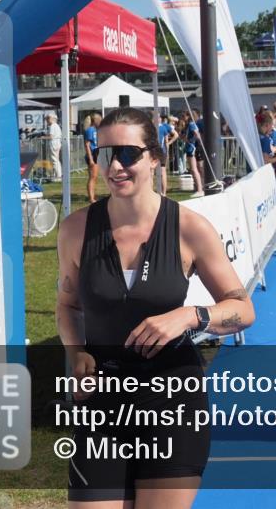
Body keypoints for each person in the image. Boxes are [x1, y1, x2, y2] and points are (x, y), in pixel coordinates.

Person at [56, 107, 254, 506]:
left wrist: (191, 316)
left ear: (155, 157)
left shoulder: (189, 228)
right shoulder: (76, 229)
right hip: (103, 401)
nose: (115, 166)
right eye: (105, 153)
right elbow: (67, 305)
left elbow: (243, 309)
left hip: (172, 398)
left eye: (128, 154)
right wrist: (76, 353)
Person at [183, 110, 206, 197]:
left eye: (184, 116)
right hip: (190, 148)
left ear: (189, 116)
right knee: (194, 169)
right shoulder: (189, 124)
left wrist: (199, 142)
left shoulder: (192, 124)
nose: (183, 118)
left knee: (194, 169)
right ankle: (199, 188)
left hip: (192, 148)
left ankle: (200, 189)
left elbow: (197, 134)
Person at [156, 114, 178, 195]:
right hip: (157, 151)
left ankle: (163, 192)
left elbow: (176, 135)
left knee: (162, 171)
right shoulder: (153, 126)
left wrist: (168, 144)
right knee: (153, 172)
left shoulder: (164, 126)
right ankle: (160, 193)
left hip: (161, 151)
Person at [85, 113, 102, 204]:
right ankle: (91, 198)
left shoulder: (97, 130)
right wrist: (91, 159)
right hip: (92, 154)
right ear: (94, 120)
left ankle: (93, 196)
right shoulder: (90, 130)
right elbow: (87, 145)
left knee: (95, 177)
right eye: (99, 119)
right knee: (93, 177)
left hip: (97, 153)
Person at [46, 113, 63, 181]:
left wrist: (42, 137)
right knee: (56, 160)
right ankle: (57, 175)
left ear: (52, 119)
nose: (47, 120)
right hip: (57, 143)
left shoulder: (53, 126)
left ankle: (58, 176)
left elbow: (51, 136)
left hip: (54, 144)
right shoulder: (56, 126)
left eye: (48, 118)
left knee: (55, 160)